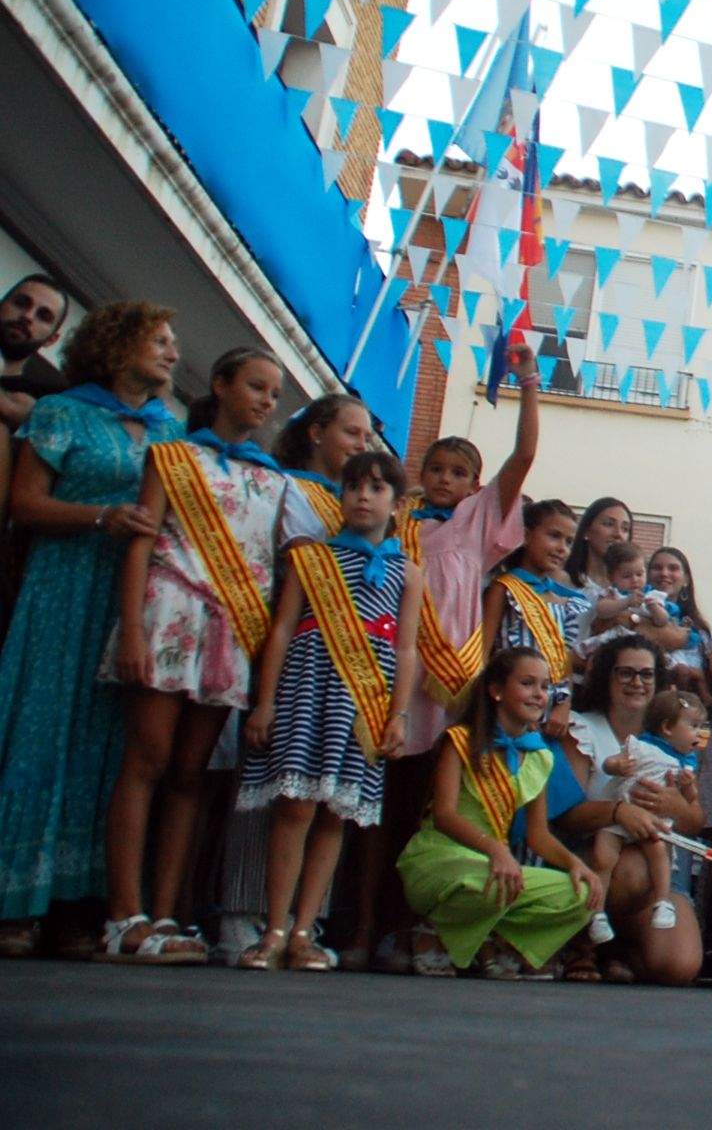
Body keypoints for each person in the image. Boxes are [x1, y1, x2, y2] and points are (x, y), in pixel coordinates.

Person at [0, 300, 182, 957]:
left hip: (134, 603)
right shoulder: (61, 412)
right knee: (44, 729)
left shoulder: (170, 432)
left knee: (111, 745)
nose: (171, 353)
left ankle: (79, 907)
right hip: (65, 588)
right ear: (118, 343)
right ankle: (15, 903)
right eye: (158, 340)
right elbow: (22, 504)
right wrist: (101, 519)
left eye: (173, 343)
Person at [98, 346, 289, 963]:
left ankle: (170, 913)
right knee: (146, 760)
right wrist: (130, 628)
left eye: (274, 394)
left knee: (190, 775)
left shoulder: (273, 477)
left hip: (229, 629)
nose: (265, 401)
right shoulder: (173, 456)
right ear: (221, 383)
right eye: (256, 386)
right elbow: (142, 541)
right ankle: (123, 915)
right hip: (168, 612)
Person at [367, 344, 536, 974]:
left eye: (459, 471)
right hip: (396, 679)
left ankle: (421, 930)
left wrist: (528, 383)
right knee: (379, 811)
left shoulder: (474, 524)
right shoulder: (399, 524)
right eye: (436, 468)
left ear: (475, 485)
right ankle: (365, 925)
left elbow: (523, 458)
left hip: (451, 686)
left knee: (430, 812)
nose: (444, 478)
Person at [238, 450, 423, 971]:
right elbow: (280, 629)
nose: (363, 496)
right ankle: (273, 927)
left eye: (377, 488)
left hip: (362, 702)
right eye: (354, 487)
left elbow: (407, 649)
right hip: (307, 685)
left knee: (334, 814)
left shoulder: (408, 572)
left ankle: (304, 929)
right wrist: (265, 701)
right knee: (294, 806)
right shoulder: (311, 558)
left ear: (396, 503)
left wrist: (398, 715)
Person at [395, 648, 599, 977]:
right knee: (487, 881)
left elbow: (538, 836)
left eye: (544, 687)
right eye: (527, 683)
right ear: (496, 690)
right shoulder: (460, 741)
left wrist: (576, 864)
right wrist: (494, 848)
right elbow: (445, 816)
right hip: (440, 859)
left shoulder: (540, 756)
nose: (538, 695)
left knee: (581, 895)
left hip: (494, 866)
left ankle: (495, 939)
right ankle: (433, 932)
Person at [549, 636, 705, 985]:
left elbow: (696, 822)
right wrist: (618, 812)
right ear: (606, 677)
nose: (637, 682)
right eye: (626, 673)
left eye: (647, 675)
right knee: (630, 867)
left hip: (658, 871)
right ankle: (580, 944)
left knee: (678, 967)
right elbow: (565, 815)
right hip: (592, 858)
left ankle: (620, 950)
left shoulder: (674, 737)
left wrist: (677, 805)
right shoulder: (582, 729)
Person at [586, 688, 703, 947]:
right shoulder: (640, 746)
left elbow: (692, 807)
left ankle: (663, 902)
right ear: (667, 728)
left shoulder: (686, 762)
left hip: (652, 822)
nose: (699, 733)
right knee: (604, 855)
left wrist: (688, 788)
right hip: (619, 816)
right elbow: (610, 763)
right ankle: (597, 913)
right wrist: (617, 766)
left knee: (658, 852)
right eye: (694, 726)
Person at [480, 500, 584, 734]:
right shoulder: (504, 589)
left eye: (568, 542)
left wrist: (564, 706)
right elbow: (483, 654)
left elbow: (563, 660)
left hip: (548, 715)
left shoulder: (563, 600)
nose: (562, 548)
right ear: (526, 536)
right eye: (554, 536)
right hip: (507, 711)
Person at [0, 275, 69, 549]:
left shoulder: (49, 401)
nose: (27, 316)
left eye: (43, 315)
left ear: (52, 338)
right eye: (21, 303)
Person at [273, 393, 375, 541]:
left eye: (367, 439)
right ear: (317, 433)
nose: (362, 446)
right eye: (352, 433)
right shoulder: (284, 487)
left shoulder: (361, 502)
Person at [646, 546, 712, 695]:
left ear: (686, 579)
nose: (664, 573)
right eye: (657, 568)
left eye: (673, 568)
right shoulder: (633, 613)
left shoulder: (699, 630)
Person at [561, 496, 633, 595]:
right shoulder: (562, 582)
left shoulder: (632, 589)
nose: (618, 534)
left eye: (625, 529)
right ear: (586, 531)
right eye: (608, 524)